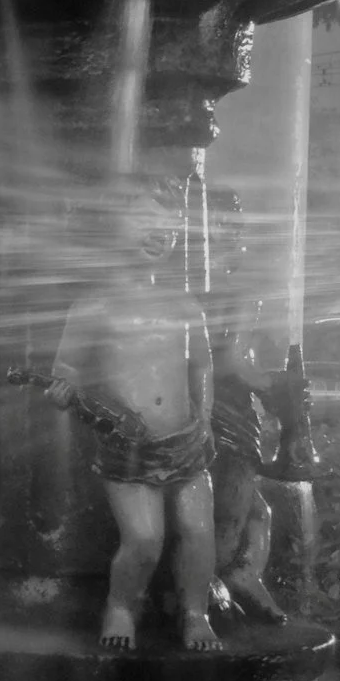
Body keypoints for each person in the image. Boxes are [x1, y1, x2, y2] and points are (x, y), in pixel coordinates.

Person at [45, 182, 220, 652]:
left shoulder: (186, 306)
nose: (160, 233)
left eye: (169, 225)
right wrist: (63, 392)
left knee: (200, 532)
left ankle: (196, 612)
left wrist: (204, 416)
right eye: (146, 220)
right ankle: (122, 605)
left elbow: (202, 366)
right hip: (128, 446)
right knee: (144, 538)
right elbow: (66, 368)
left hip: (186, 440)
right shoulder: (92, 308)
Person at [210, 300, 286, 622]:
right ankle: (208, 578)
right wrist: (273, 384)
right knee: (231, 512)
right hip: (225, 424)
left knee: (257, 513)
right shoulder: (243, 298)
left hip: (231, 419)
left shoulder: (240, 299)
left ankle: (243, 574)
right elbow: (233, 362)